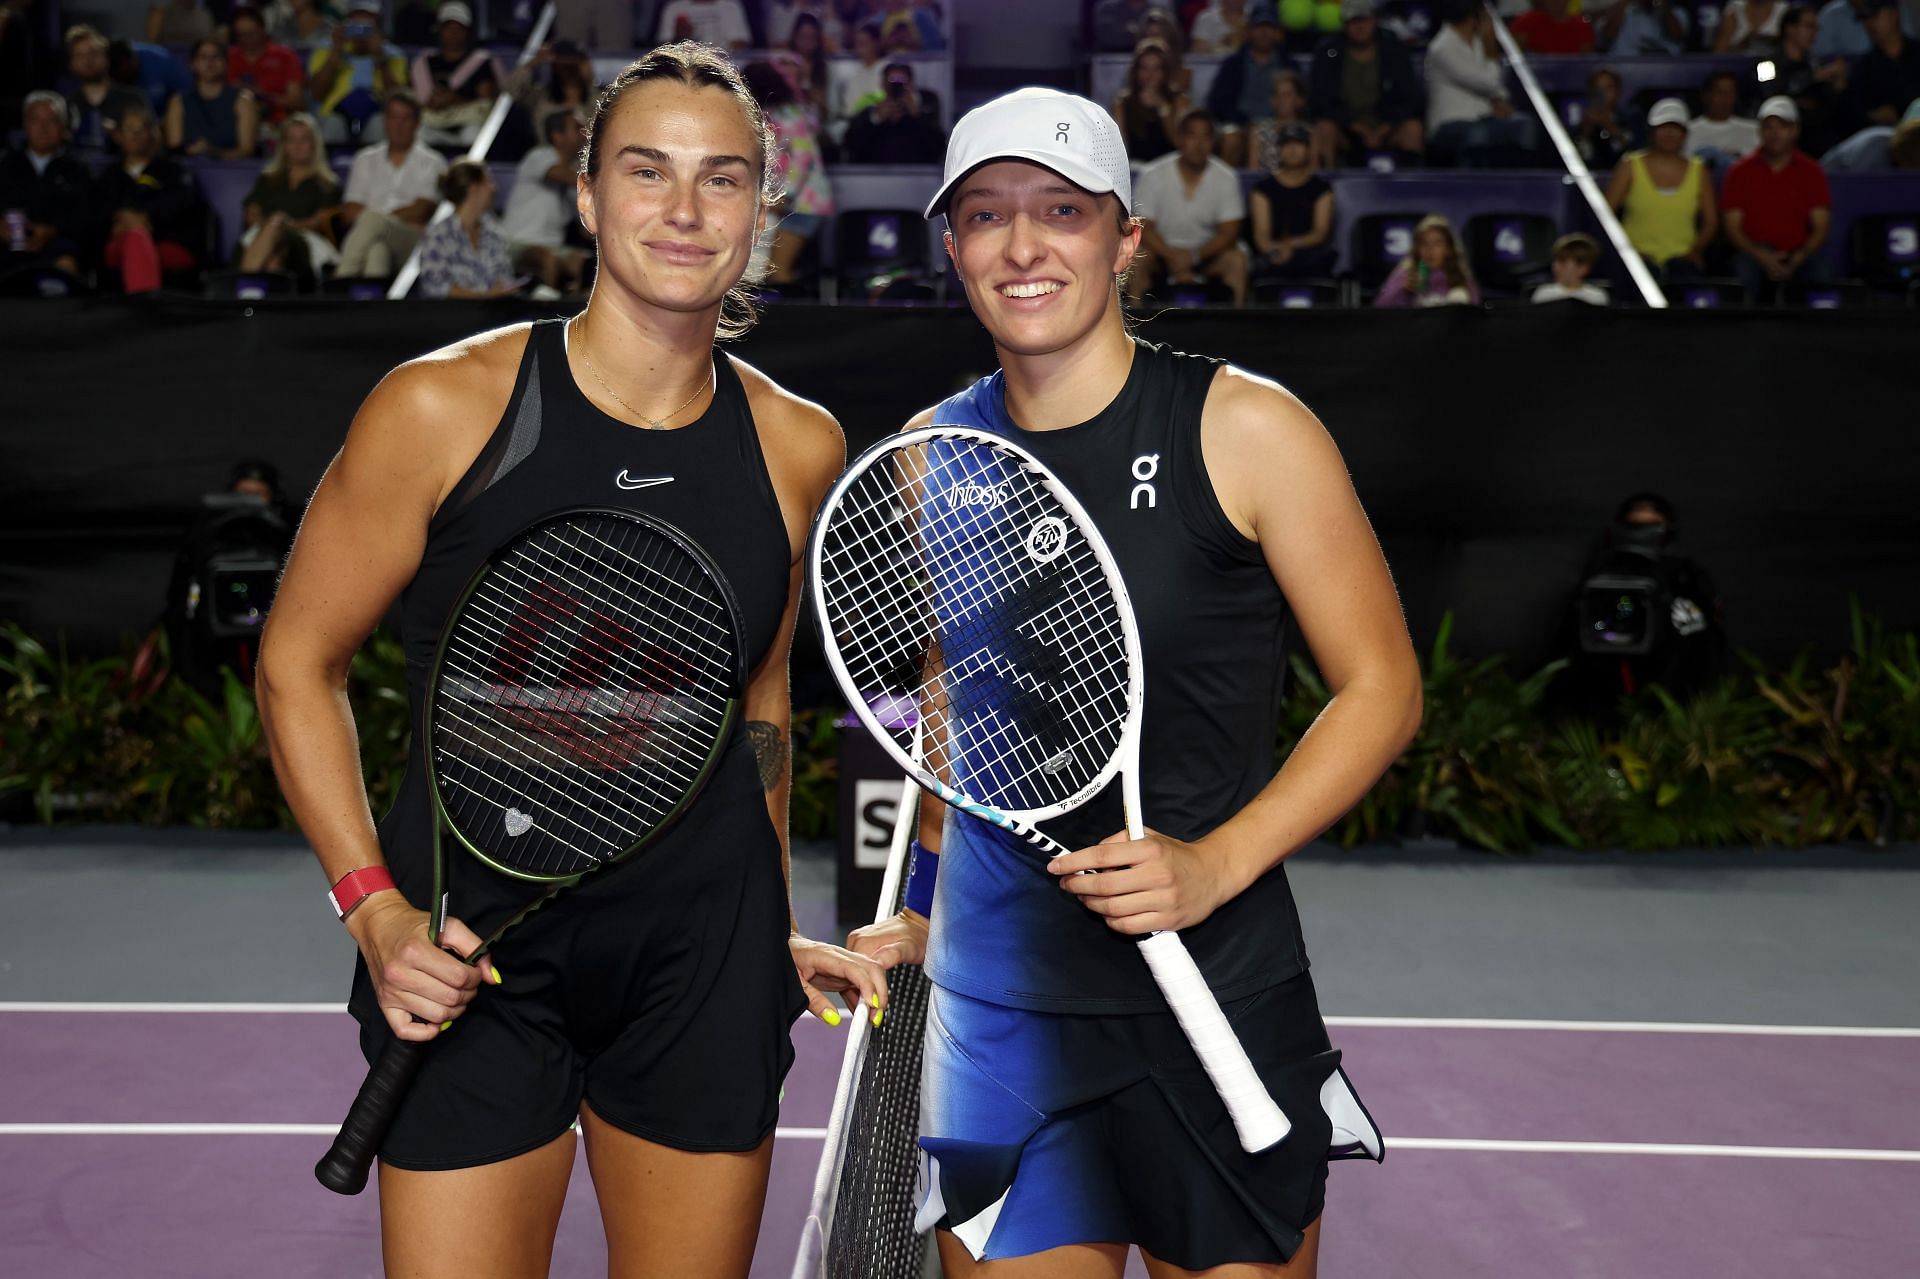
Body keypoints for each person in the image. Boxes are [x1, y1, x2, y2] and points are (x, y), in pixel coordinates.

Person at [255, 42, 886, 1278]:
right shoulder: (442, 406)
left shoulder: (800, 446)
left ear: (761, 212)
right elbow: (296, 662)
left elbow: (755, 695)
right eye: (647, 172)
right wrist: (372, 909)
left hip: (700, 960)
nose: (687, 209)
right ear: (588, 196)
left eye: (724, 179)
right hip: (471, 953)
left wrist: (765, 917)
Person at [847, 84, 1413, 1279]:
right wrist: (924, 906)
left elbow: (1381, 689)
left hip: (1219, 989)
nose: (1023, 245)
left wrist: (1215, 862)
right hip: (1003, 1011)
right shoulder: (928, 457)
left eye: (1061, 209)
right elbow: (963, 716)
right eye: (987, 215)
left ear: (1125, 235)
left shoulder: (1247, 429)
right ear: (951, 245)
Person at [1130, 108, 1251, 304]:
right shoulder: (1152, 174)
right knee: (1138, 256)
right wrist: (1172, 257)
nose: (1199, 145)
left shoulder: (1226, 177)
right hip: (1161, 253)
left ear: (1214, 142)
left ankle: (1235, 328)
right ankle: (1133, 326)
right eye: (1192, 135)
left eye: (1206, 137)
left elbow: (1229, 233)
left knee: (1236, 260)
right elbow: (1144, 227)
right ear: (1179, 139)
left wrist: (1193, 257)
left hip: (1207, 255)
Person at [1720, 95, 1832, 299]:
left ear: (1795, 130)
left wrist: (1800, 256)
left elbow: (1821, 225)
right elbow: (1732, 228)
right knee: (1742, 273)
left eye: (1782, 127)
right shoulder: (1739, 172)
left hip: (1797, 252)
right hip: (1753, 253)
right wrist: (1762, 256)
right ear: (1760, 131)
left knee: (1820, 274)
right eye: (1768, 127)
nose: (1775, 134)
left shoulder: (1811, 172)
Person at [95, 102, 207, 292]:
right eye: (130, 129)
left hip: (166, 240)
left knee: (138, 236)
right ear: (118, 135)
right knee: (135, 237)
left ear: (153, 133)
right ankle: (148, 309)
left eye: (142, 129)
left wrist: (145, 218)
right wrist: (122, 219)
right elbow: (98, 211)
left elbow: (180, 204)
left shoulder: (173, 170)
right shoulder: (109, 176)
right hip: (118, 244)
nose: (136, 135)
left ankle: (143, 307)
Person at [1605, 97, 1719, 283]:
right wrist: (1628, 251)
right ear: (1652, 131)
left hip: (1682, 260)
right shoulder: (1630, 165)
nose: (1669, 134)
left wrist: (1695, 251)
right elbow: (1606, 215)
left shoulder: (1699, 170)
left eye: (1675, 128)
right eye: (1663, 127)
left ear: (1684, 134)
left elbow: (1711, 222)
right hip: (1635, 259)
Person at [743, 60, 833, 288]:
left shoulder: (789, 115)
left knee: (779, 272)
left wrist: (786, 195)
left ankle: (796, 323)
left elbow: (803, 158)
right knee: (766, 272)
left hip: (804, 204)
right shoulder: (768, 114)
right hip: (787, 204)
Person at [336, 90, 446, 277]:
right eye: (393, 117)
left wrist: (378, 219)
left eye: (405, 118)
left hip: (412, 241)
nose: (398, 125)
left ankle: (341, 279)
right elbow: (350, 212)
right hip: (371, 239)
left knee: (372, 220)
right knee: (377, 252)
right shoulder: (365, 159)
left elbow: (421, 210)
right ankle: (372, 304)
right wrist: (378, 222)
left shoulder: (433, 162)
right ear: (385, 121)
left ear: (417, 123)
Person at [1307, 0, 1424, 169]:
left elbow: (1411, 99)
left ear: (1374, 20)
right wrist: (1357, 128)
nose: (1359, 27)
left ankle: (1410, 190)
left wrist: (1384, 128)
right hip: (1346, 128)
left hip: (1386, 126)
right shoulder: (1329, 52)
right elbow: (1320, 101)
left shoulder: (1394, 51)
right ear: (1345, 24)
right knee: (1324, 129)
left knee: (1412, 129)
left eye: (1364, 20)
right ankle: (1325, 188)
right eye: (1354, 21)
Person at [1426, 1, 1540, 167]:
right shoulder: (1442, 47)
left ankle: (1517, 188)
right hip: (1449, 124)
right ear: (1473, 17)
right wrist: (1491, 46)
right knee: (1478, 134)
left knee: (1525, 125)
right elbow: (1488, 83)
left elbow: (1493, 86)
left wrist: (1499, 101)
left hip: (1484, 118)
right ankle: (1471, 190)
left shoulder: (1478, 43)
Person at [236, 111, 341, 284]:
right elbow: (251, 212)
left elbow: (319, 221)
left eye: (304, 140)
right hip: (264, 235)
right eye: (291, 140)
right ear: (283, 145)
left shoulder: (328, 185)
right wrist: (271, 228)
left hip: (304, 241)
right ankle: (264, 302)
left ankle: (245, 290)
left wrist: (283, 226)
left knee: (277, 236)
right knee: (273, 256)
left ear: (314, 144)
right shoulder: (268, 179)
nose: (297, 146)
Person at [0, 91, 91, 279]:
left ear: (63, 127)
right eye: (36, 120)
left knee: (67, 264)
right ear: (25, 126)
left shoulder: (79, 169)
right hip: (8, 242)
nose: (43, 128)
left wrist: (52, 231)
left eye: (51, 121)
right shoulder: (5, 164)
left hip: (59, 242)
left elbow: (85, 215)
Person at [499, 107, 589, 293]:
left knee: (588, 263)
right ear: (557, 135)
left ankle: (578, 312)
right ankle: (545, 314)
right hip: (516, 243)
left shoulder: (576, 178)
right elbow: (558, 174)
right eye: (576, 127)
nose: (584, 133)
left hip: (554, 247)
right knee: (548, 260)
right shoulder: (539, 156)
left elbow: (585, 228)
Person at [308, 1, 409, 145]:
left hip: (377, 112)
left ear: (377, 22)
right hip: (334, 113)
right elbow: (317, 94)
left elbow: (398, 97)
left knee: (379, 124)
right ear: (347, 22)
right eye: (356, 20)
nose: (361, 27)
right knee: (333, 124)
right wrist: (336, 53)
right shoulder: (327, 48)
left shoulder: (393, 55)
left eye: (367, 21)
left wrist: (380, 58)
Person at [413, 159, 516, 298]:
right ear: (473, 188)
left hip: (492, 315)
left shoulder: (494, 233)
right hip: (450, 316)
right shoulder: (438, 235)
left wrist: (501, 290)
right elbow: (436, 287)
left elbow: (504, 278)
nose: (493, 188)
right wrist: (483, 296)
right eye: (488, 182)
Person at [1205, 3, 1290, 167]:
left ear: (1277, 32)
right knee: (1231, 137)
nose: (1264, 33)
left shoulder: (1287, 64)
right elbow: (1218, 103)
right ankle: (1226, 188)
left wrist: (1272, 124)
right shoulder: (1232, 65)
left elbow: (1298, 100)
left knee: (1266, 134)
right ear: (1249, 31)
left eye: (1269, 27)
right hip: (1240, 124)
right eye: (1259, 27)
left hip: (1278, 124)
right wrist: (1247, 122)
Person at [412, 2, 504, 151]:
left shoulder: (481, 61)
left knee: (473, 135)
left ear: (467, 32)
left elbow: (486, 98)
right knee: (418, 134)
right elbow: (421, 99)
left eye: (459, 29)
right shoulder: (425, 62)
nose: (453, 34)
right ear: (440, 30)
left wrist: (455, 99)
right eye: (448, 28)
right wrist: (437, 101)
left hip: (468, 122)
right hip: (433, 122)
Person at [1249, 120, 1336, 277]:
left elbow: (1320, 233)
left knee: (1321, 259)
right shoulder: (1262, 189)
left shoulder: (1322, 189)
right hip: (1272, 254)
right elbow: (1261, 235)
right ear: (1279, 150)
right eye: (1287, 145)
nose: (1292, 150)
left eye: (1299, 144)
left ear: (1309, 150)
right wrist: (1275, 252)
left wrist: (1289, 245)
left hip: (1308, 253)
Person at [167, 38, 261, 160]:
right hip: (189, 170)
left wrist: (212, 152)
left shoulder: (243, 100)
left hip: (232, 171)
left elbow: (246, 150)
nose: (210, 63)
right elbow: (175, 149)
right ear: (193, 64)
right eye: (203, 57)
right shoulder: (178, 101)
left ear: (226, 63)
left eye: (216, 57)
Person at [1773, 5, 1850, 153]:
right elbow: (1771, 96)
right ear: (1790, 29)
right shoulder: (1767, 64)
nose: (1814, 33)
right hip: (1784, 136)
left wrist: (1840, 86)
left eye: (1816, 28)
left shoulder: (1816, 64)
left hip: (1819, 139)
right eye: (1809, 27)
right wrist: (1813, 78)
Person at [60, 25, 145, 153]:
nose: (87, 60)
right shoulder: (65, 106)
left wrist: (121, 137)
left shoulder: (133, 100)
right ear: (71, 64)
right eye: (79, 55)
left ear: (107, 57)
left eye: (93, 53)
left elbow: (152, 144)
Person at [843, 60, 946, 163]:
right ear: (882, 84)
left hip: (916, 175)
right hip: (874, 175)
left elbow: (939, 148)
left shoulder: (925, 113)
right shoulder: (870, 113)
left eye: (902, 81)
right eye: (891, 80)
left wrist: (917, 116)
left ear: (911, 84)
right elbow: (850, 146)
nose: (896, 86)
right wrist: (876, 118)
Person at [1373, 212, 1479, 304]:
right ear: (1417, 248)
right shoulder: (1405, 275)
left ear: (1448, 249)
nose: (1430, 250)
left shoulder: (1462, 279)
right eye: (1424, 243)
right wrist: (1403, 292)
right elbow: (1381, 310)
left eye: (1437, 243)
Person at [1112, 37, 1189, 162]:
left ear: (1165, 72)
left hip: (1170, 168)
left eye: (1156, 69)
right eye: (1144, 68)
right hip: (1136, 168)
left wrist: (1163, 107)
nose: (1150, 75)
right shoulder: (1123, 103)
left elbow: (1179, 143)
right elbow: (1119, 148)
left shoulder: (1179, 100)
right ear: (1136, 71)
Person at [228, 5, 306, 126]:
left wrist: (263, 96)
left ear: (262, 29)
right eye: (241, 35)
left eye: (251, 33)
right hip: (235, 123)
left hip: (278, 123)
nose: (246, 39)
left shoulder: (284, 56)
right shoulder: (228, 58)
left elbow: (297, 102)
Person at [1851, 0, 1920, 129]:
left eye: (1875, 16)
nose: (1869, 24)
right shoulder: (1864, 66)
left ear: (1894, 15)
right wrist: (1873, 116)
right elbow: (1857, 110)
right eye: (1865, 19)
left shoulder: (1917, 52)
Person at [826, 20, 886, 150]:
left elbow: (880, 99)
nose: (860, 48)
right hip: (853, 124)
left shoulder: (886, 68)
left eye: (864, 44)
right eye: (857, 44)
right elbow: (848, 108)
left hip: (880, 124)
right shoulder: (851, 72)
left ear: (877, 43)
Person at [1688, 71, 1761, 167]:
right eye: (1720, 92)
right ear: (1706, 95)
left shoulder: (1754, 130)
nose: (1725, 98)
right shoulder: (1689, 131)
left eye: (1730, 93)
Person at [1245, 70, 1312, 172]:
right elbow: (1253, 173)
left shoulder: (1310, 132)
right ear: (1272, 100)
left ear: (1299, 100)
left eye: (1287, 95)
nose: (1281, 100)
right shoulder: (1258, 132)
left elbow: (1314, 172)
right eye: (1277, 95)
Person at [1578, 66, 1632, 169]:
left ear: (1618, 90)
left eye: (1609, 87)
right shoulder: (1580, 123)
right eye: (1598, 88)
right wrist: (1585, 133)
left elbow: (1638, 153)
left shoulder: (1631, 119)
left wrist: (1610, 126)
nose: (1603, 93)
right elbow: (1571, 159)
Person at [1530, 231, 1609, 302]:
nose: (1556, 266)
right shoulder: (1543, 294)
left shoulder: (1597, 297)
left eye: (1562, 262)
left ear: (1583, 268)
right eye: (1555, 261)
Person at [1596, 0, 1688, 53]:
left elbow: (1676, 35)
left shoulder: (1676, 12)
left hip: (1665, 68)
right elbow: (1608, 35)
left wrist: (1665, 7)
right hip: (1625, 66)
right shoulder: (1623, 10)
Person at [655, 0, 754, 48]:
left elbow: (742, 43)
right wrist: (679, 38)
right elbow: (663, 46)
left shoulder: (731, 7)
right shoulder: (674, 8)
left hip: (725, 66)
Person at [1510, 0, 1597, 51]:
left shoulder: (1582, 26)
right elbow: (1514, 54)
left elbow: (1586, 62)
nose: (1556, 1)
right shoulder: (1526, 21)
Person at [1713, 0, 1786, 50]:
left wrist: (1770, 41)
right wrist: (1746, 42)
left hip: (1777, 66)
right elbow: (1719, 54)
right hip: (1738, 67)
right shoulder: (1734, 9)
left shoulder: (1783, 10)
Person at [147, 0, 215, 46]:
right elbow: (152, 43)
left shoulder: (205, 16)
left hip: (198, 62)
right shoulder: (160, 13)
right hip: (168, 60)